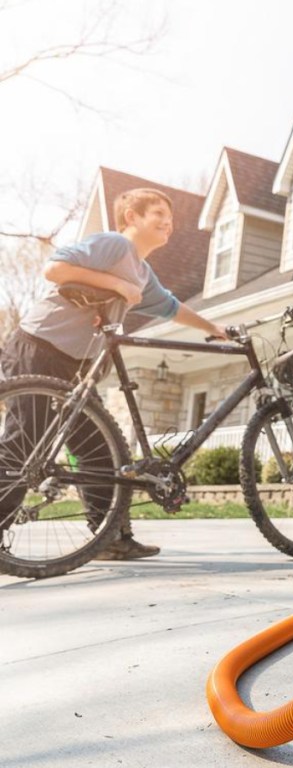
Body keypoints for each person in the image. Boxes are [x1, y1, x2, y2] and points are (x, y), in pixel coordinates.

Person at [0, 187, 226, 560]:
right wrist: (117, 284)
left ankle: (109, 538)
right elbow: (54, 267)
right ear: (131, 218)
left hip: (77, 366)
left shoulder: (142, 271)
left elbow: (170, 307)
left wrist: (212, 327)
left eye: (170, 218)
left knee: (97, 448)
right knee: (26, 443)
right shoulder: (114, 245)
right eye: (157, 214)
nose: (167, 223)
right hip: (39, 347)